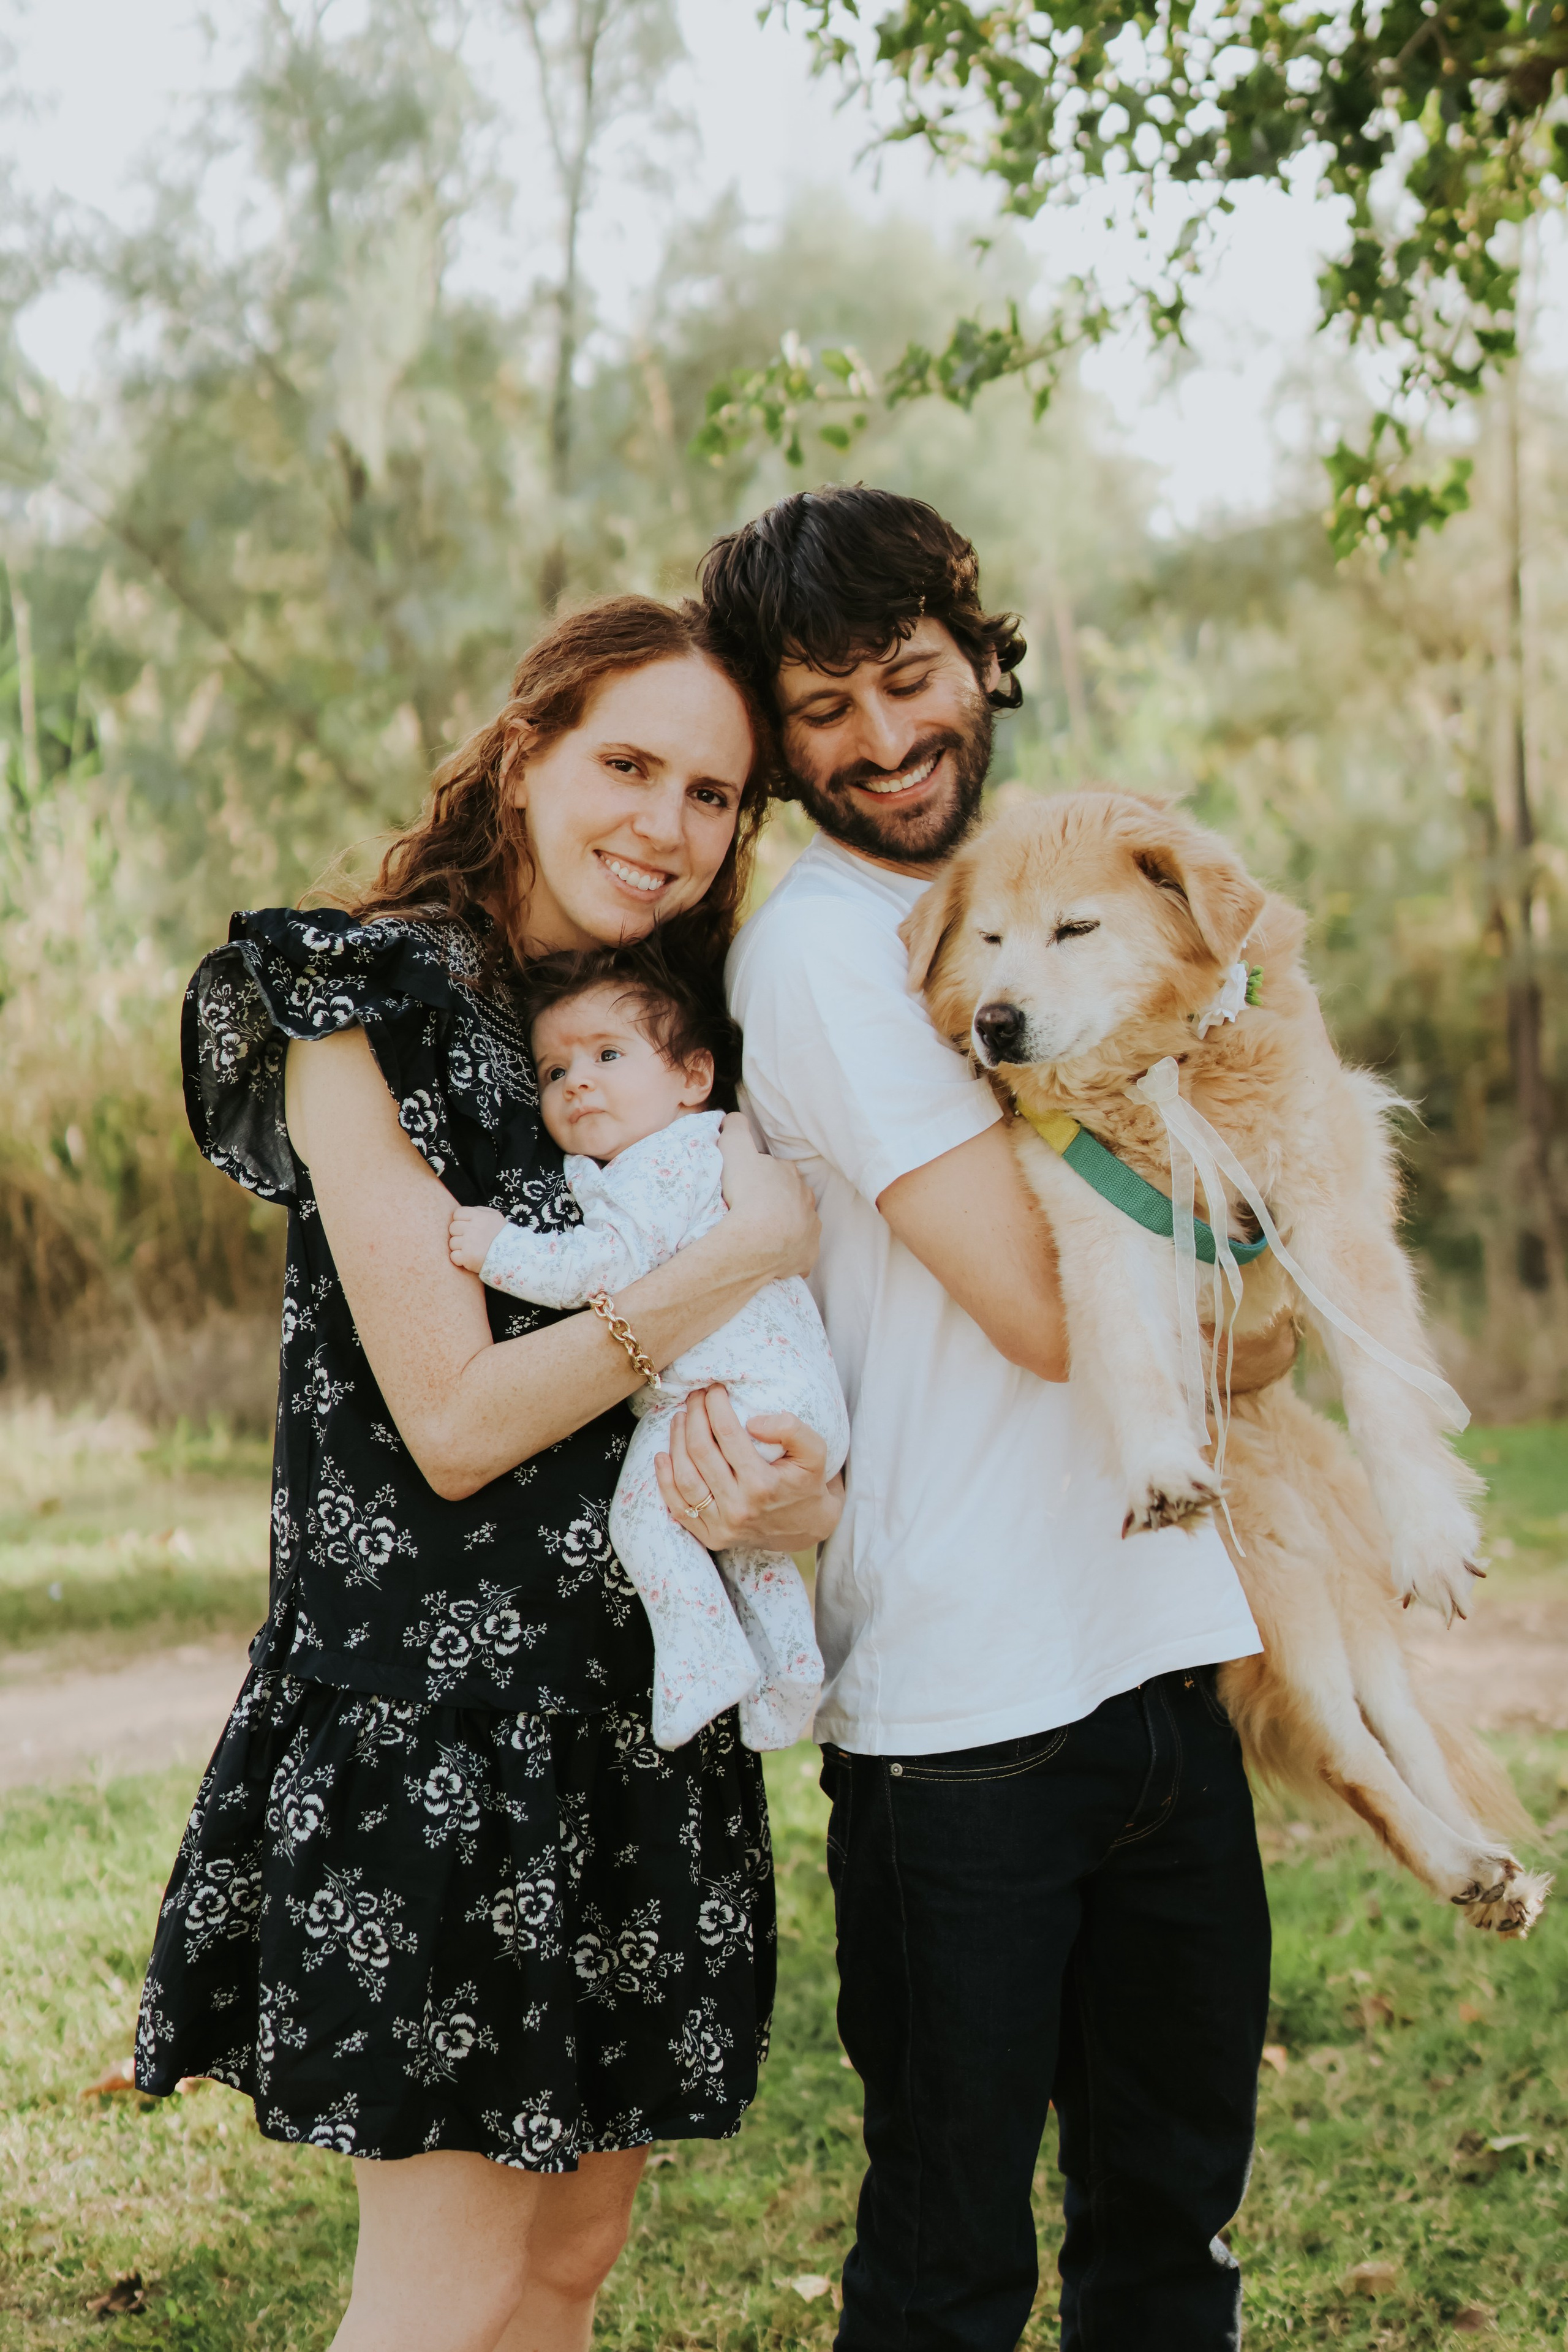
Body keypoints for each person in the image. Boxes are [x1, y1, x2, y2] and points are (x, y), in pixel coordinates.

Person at [134, 595, 839, 2352]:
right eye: (626, 765)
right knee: (439, 2303)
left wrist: (788, 1493)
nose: (664, 826)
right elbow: (448, 1420)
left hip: (631, 1725)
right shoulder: (354, 1003)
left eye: (711, 794)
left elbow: (779, 1387)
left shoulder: (673, 1041)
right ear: (522, 755)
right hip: (441, 1743)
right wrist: (729, 1258)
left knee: (565, 2271)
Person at [703, 486, 1297, 2352]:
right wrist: (1261, 1307)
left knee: (1171, 2239)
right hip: (963, 1720)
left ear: (980, 652)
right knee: (954, 2270)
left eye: (908, 677)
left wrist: (1258, 1299)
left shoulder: (1055, 882)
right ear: (780, 735)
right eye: (823, 710)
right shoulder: (824, 954)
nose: (882, 740)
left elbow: (1252, 1234)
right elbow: (1066, 1309)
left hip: (1164, 1653)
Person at [446, 940, 848, 1752]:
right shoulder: (692, 1151)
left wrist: (498, 1249)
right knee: (739, 1539)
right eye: (554, 1071)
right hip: (776, 1397)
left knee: (643, 1516)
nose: (577, 1080)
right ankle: (790, 1666)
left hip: (741, 1391)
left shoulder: (664, 1162)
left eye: (607, 1054)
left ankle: (702, 1662)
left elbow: (607, 1265)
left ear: (694, 1078)